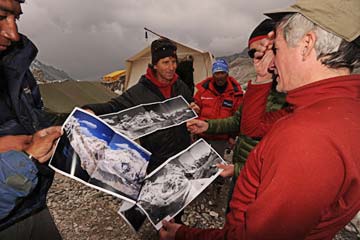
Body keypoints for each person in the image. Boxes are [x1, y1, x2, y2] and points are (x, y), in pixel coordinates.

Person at [160, 0, 360, 239]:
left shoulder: (308, 136)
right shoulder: (326, 111)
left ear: (307, 45)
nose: (272, 63)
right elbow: (253, 126)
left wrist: (183, 235)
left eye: (276, 49)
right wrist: (262, 77)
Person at [0, 0, 64, 238]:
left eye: (16, 18)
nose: (13, 34)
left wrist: (70, 125)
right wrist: (27, 159)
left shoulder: (15, 65)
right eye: (0, 17)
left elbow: (32, 119)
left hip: (34, 207)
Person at [193, 59, 243, 156]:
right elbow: (195, 109)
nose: (219, 77)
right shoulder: (203, 91)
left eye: (222, 73)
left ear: (227, 74)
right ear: (213, 74)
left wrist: (232, 136)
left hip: (222, 139)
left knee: (217, 166)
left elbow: (238, 117)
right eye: (217, 73)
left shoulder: (236, 94)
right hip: (202, 137)